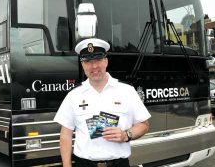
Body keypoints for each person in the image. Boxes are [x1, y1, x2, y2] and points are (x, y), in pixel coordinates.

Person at [54, 38, 151, 167]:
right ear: (82, 64)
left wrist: (125, 135)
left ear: (106, 61)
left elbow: (144, 125)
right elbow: (66, 134)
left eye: (98, 60)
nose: (94, 66)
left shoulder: (127, 91)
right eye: (88, 61)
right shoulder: (74, 95)